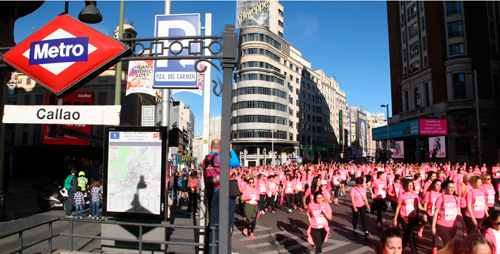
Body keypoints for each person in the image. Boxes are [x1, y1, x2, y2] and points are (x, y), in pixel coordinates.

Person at [203, 139, 240, 253]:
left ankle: (211, 250)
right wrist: (230, 150)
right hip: (223, 192)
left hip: (211, 192)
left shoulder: (205, 160)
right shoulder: (220, 158)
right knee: (228, 222)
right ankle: (226, 249)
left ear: (210, 146)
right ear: (220, 148)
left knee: (213, 222)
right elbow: (236, 163)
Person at [432, 180, 465, 254]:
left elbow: (459, 212)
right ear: (445, 188)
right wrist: (433, 227)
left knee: (449, 244)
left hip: (453, 225)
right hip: (441, 225)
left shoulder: (456, 199)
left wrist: (464, 224)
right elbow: (436, 213)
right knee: (447, 243)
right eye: (450, 187)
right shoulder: (441, 198)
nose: (452, 189)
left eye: (453, 187)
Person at [393, 178, 425, 254]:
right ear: (405, 186)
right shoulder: (402, 196)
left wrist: (427, 214)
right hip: (404, 217)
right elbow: (398, 208)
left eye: (412, 185)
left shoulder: (415, 195)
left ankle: (400, 250)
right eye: (409, 185)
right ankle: (415, 252)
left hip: (413, 217)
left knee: (406, 235)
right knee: (411, 235)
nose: (411, 187)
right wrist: (395, 219)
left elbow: (419, 206)